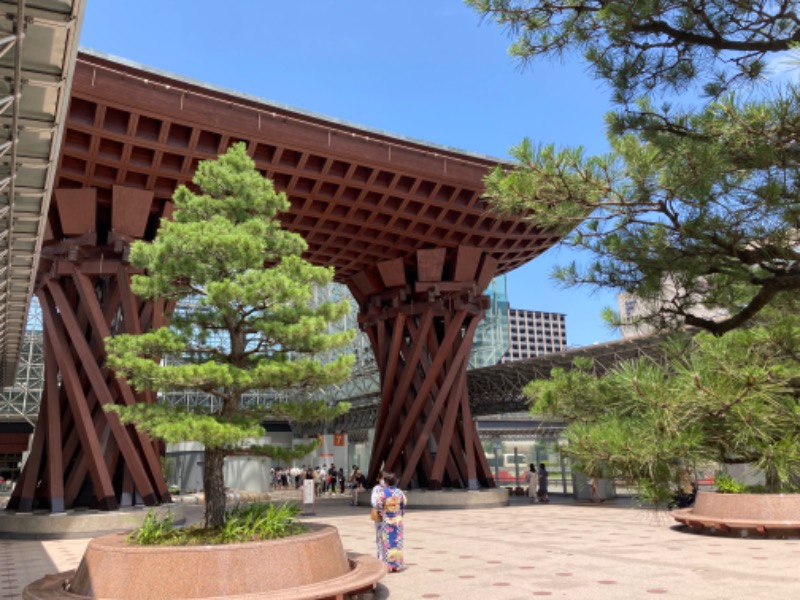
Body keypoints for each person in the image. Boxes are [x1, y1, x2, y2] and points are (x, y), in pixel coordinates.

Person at [371, 471, 406, 573]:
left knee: (387, 542)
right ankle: (398, 564)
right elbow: (403, 505)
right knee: (397, 542)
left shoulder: (383, 493)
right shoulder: (400, 492)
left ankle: (389, 565)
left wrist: (383, 514)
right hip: (398, 520)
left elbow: (378, 505)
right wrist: (400, 515)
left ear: (386, 482)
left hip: (387, 520)